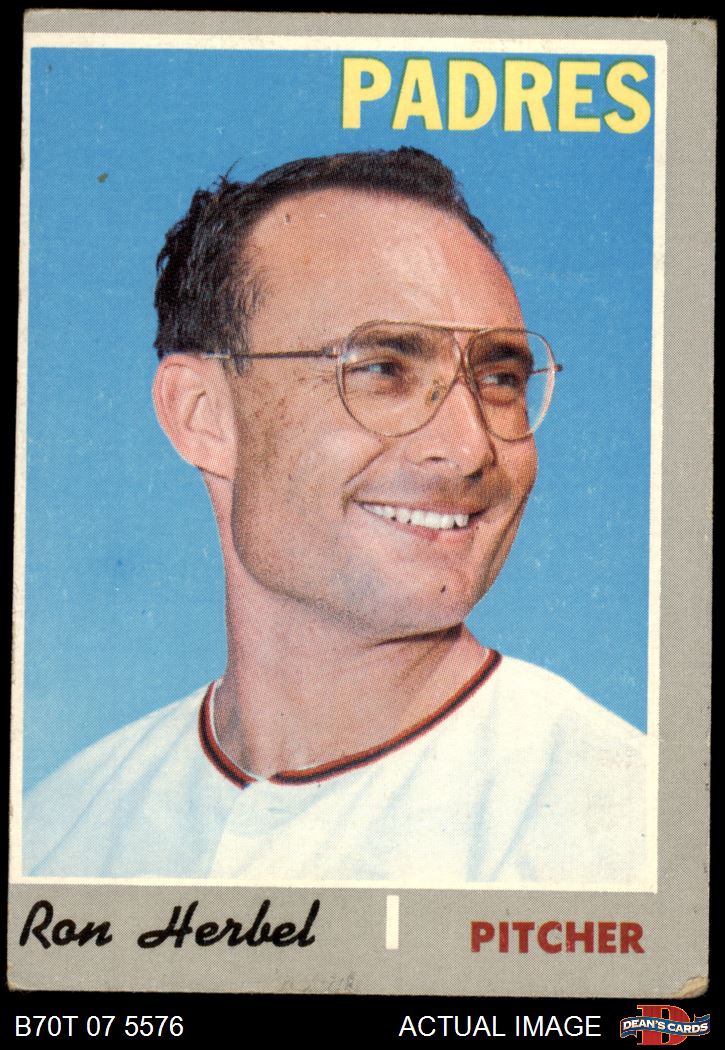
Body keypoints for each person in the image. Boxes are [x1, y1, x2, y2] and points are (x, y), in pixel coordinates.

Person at [24, 148, 647, 883]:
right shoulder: (58, 830)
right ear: (202, 414)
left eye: (500, 378)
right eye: (381, 369)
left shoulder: (623, 826)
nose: (468, 448)